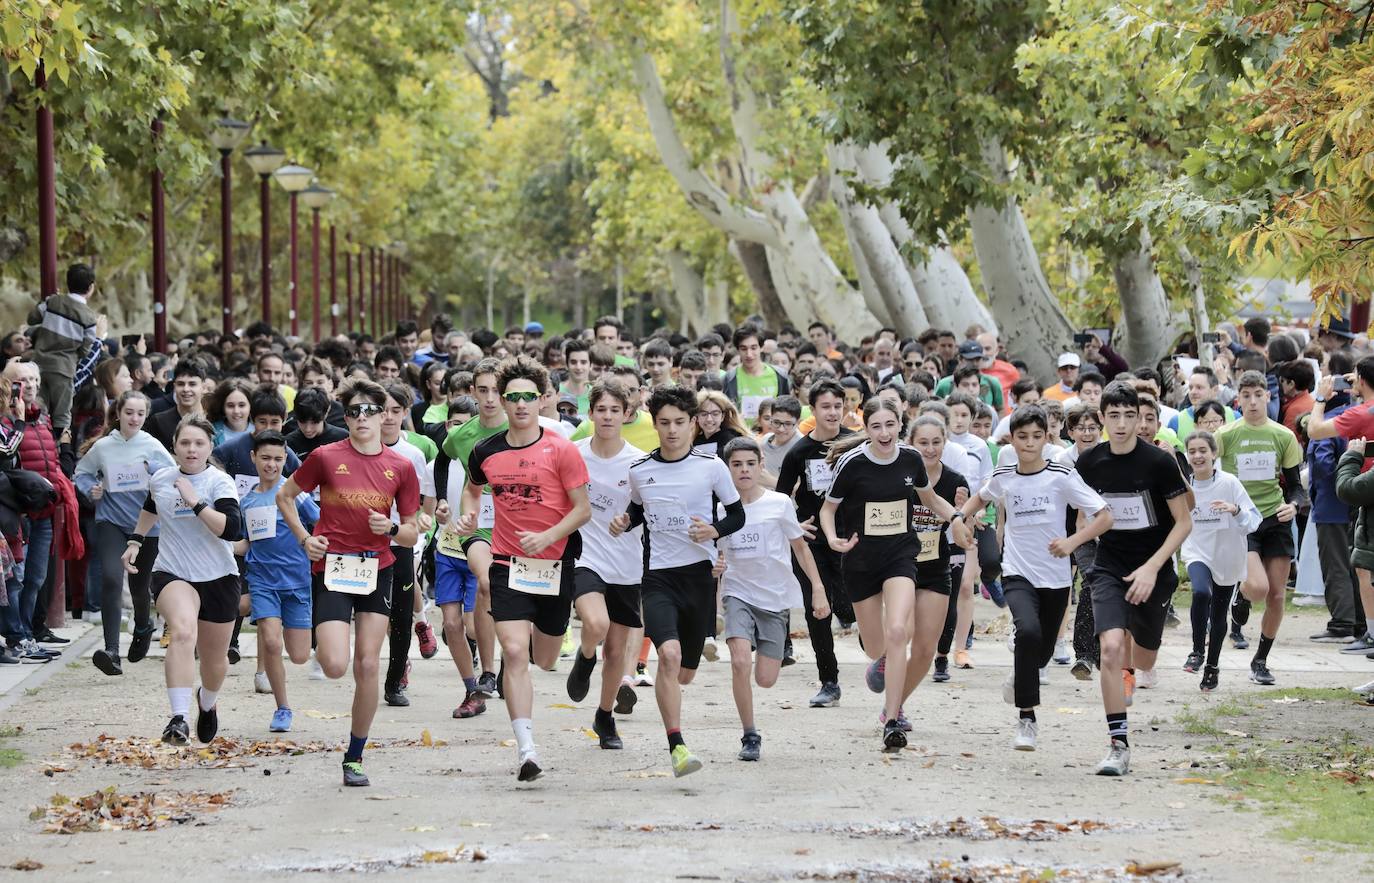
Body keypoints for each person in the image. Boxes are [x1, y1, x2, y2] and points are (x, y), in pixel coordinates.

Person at [275, 377, 422, 787]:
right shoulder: (325, 456)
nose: (361, 418)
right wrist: (305, 539)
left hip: (378, 567)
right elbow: (284, 497)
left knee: (368, 664)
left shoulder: (401, 467)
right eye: (353, 411)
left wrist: (391, 528)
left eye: (370, 411)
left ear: (386, 416)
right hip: (334, 569)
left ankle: (355, 756)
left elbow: (411, 532)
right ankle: (327, 642)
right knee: (336, 665)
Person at [454, 355, 591, 782]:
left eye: (527, 397)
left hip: (553, 564)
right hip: (506, 562)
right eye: (510, 397)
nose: (518, 405)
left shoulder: (561, 448)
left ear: (541, 399)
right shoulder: (484, 451)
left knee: (545, 659)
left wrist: (549, 536)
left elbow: (583, 510)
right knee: (513, 651)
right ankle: (527, 750)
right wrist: (469, 515)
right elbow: (472, 492)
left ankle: (576, 650)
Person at [820, 399, 973, 751]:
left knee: (900, 630)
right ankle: (885, 661)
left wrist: (956, 520)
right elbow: (829, 509)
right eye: (876, 426)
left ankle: (891, 720)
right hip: (860, 562)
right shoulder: (852, 463)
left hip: (901, 555)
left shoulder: (910, 459)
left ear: (899, 424)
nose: (885, 433)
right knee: (878, 647)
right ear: (867, 428)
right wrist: (831, 537)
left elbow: (931, 498)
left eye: (890, 425)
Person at [609, 385, 745, 777]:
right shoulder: (640, 471)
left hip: (699, 579)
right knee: (665, 657)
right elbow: (636, 512)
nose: (672, 430)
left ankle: (690, 662)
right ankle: (677, 746)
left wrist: (714, 532)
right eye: (664, 423)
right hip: (658, 577)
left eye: (680, 423)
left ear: (693, 426)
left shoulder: (711, 466)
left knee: (684, 671)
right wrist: (624, 522)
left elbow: (737, 515)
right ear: (655, 425)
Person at [959, 405, 1112, 752]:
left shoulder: (1061, 473)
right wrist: (958, 517)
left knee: (1040, 653)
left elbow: (1103, 515)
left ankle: (1022, 672)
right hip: (1018, 572)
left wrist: (1072, 543)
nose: (1029, 444)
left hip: (1056, 578)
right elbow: (980, 498)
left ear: (1048, 438)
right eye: (1022, 437)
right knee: (1027, 631)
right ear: (1011, 439)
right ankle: (1026, 717)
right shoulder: (1005, 474)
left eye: (1036, 437)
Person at [1074, 382, 1192, 777]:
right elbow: (1083, 514)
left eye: (1131, 415)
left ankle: (1136, 661)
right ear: (1102, 418)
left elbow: (1184, 521)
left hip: (1153, 568)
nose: (1123, 424)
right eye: (1114, 416)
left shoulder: (1158, 462)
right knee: (1109, 649)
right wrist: (1076, 544)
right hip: (1108, 564)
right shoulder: (1089, 463)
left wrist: (1153, 567)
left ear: (1141, 417)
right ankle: (1118, 744)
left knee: (1144, 656)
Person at [119, 415, 244, 745]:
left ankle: (207, 703)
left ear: (210, 447)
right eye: (185, 443)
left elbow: (232, 530)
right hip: (172, 572)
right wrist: (135, 540)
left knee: (215, 662)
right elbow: (151, 506)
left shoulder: (220, 483)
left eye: (199, 443)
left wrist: (196, 501)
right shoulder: (161, 478)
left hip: (219, 576)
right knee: (183, 631)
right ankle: (178, 718)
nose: (191, 449)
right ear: (174, 446)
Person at [714, 436, 827, 761]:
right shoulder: (720, 509)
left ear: (761, 465)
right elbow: (714, 557)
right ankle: (749, 735)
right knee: (738, 662)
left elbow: (801, 549)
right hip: (737, 593)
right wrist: (714, 568)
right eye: (737, 465)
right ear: (728, 469)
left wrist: (817, 589)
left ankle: (764, 673)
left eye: (750, 463)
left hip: (774, 599)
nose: (744, 470)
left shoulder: (779, 504)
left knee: (765, 679)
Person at [568, 378, 646, 749]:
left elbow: (648, 510)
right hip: (585, 554)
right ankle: (585, 656)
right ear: (590, 413)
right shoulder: (573, 453)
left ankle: (604, 717)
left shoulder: (638, 463)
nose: (608, 416)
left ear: (627, 414)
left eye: (616, 410)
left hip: (626, 562)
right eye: (602, 409)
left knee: (616, 651)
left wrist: (629, 519)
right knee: (595, 623)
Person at [74, 390, 175, 675]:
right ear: (117, 414)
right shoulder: (104, 446)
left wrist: (153, 469)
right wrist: (90, 490)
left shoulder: (153, 445)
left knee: (140, 587)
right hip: (111, 522)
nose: (134, 418)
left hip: (146, 527)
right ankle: (111, 651)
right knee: (109, 577)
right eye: (129, 412)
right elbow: (81, 474)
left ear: (146, 416)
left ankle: (143, 625)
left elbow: (172, 478)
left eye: (140, 413)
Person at [1216, 370, 1306, 685]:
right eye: (1246, 396)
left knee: (1277, 596)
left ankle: (1260, 660)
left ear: (1268, 396)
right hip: (1242, 519)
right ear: (1238, 399)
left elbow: (1296, 487)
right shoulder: (1225, 436)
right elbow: (1209, 478)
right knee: (1257, 587)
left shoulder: (1283, 436)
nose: (1253, 402)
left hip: (1275, 518)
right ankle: (1241, 600)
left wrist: (1293, 505)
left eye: (1258, 395)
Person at [776, 379, 854, 708]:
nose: (833, 412)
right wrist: (794, 522)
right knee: (817, 610)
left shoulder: (854, 443)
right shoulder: (799, 451)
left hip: (849, 539)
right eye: (826, 406)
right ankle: (829, 681)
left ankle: (876, 650)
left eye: (838, 406)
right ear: (814, 410)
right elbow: (780, 496)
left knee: (848, 606)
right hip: (812, 542)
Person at [233, 431, 319, 731]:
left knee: (297, 655)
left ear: (286, 460)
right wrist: (221, 547)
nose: (271, 465)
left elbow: (319, 523)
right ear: (253, 458)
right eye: (265, 458)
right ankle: (282, 708)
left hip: (297, 582)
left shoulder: (296, 493)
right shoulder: (246, 501)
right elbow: (246, 544)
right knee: (270, 641)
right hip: (262, 580)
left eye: (278, 459)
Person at [1180, 430, 1261, 691]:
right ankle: (1196, 651)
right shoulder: (1184, 486)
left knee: (1218, 615)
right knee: (1201, 592)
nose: (1198, 456)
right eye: (1192, 451)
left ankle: (1212, 667)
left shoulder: (1229, 483)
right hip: (1197, 551)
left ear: (1214, 454)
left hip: (1227, 555)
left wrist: (1234, 510)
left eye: (1203, 450)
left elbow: (1253, 520)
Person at [379, 382, 436, 708]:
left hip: (401, 539)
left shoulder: (413, 454)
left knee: (401, 613)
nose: (387, 418)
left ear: (404, 414)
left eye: (395, 411)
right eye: (381, 410)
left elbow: (417, 503)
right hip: (363, 543)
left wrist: (420, 522)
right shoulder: (354, 448)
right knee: (374, 614)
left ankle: (395, 679)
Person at [27, 262, 103, 433]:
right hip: (64, 369)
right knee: (62, 415)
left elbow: (32, 318)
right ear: (91, 287)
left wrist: (46, 301)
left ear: (67, 283)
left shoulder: (53, 302)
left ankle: (36, 440)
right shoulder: (89, 317)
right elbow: (86, 348)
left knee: (37, 409)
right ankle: (60, 447)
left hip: (38, 365)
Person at [724, 324, 791, 426]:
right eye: (744, 349)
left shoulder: (780, 376)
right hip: (741, 436)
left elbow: (788, 411)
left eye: (753, 348)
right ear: (738, 350)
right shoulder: (729, 379)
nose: (749, 354)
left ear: (762, 348)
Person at [147, 361, 208, 452]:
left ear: (203, 387)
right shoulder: (159, 421)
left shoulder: (214, 419)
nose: (186, 389)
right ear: (174, 387)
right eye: (181, 384)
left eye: (192, 384)